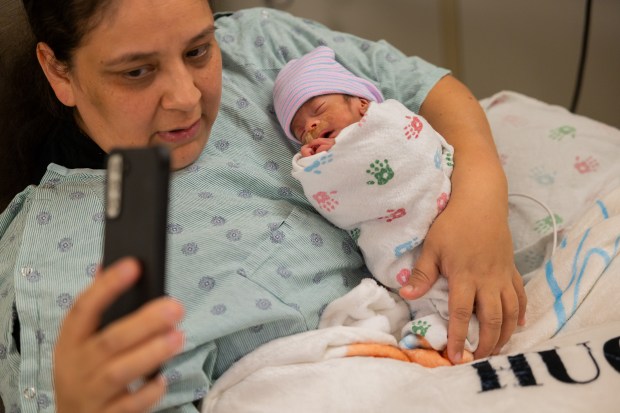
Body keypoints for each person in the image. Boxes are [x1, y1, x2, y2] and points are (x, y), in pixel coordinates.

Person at [0, 1, 525, 412]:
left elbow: (427, 87)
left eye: (198, 51)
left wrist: (479, 197)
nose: (185, 97)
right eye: (137, 72)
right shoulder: (59, 250)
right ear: (59, 71)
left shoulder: (259, 46)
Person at [273, 46, 478, 364]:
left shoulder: (389, 120)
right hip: (396, 238)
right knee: (422, 284)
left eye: (319, 109)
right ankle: (440, 330)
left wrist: (350, 145)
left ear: (361, 102)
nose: (311, 127)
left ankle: (452, 326)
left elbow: (410, 148)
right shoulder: (321, 155)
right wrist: (323, 165)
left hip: (436, 208)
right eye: (301, 131)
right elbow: (339, 202)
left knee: (457, 269)